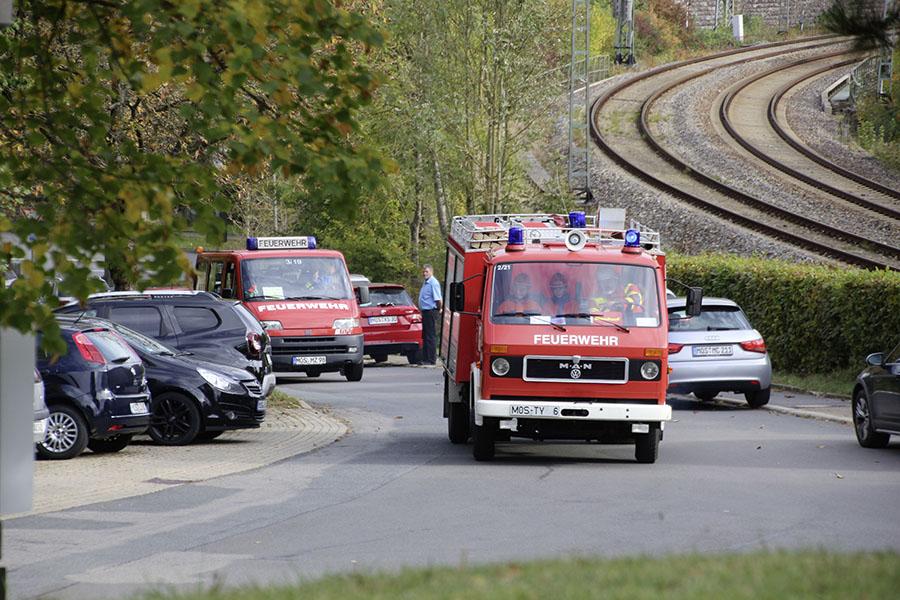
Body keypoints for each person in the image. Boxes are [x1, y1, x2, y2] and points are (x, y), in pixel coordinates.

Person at [418, 264, 442, 365]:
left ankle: (431, 359)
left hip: (430, 311)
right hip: (425, 311)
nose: (424, 273)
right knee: (425, 335)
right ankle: (425, 358)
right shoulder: (425, 282)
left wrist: (438, 309)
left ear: (431, 272)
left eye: (426, 271)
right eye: (423, 272)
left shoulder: (433, 283)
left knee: (430, 336)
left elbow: (438, 299)